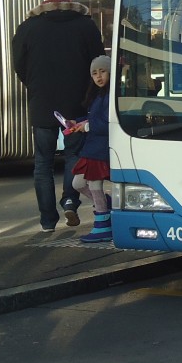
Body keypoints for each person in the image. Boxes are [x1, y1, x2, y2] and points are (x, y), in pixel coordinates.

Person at [12, 0, 104, 232]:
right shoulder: (86, 25)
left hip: (42, 105)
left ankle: (47, 222)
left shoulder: (29, 26)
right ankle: (70, 204)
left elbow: (19, 64)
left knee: (43, 163)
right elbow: (98, 63)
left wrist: (36, 87)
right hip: (76, 104)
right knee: (74, 154)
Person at [67, 55, 113, 243]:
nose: (99, 76)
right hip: (92, 148)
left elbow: (107, 123)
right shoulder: (98, 95)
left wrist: (85, 126)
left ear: (111, 72)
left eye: (102, 71)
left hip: (100, 149)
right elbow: (95, 120)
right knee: (78, 184)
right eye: (94, 73)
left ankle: (103, 224)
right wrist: (76, 123)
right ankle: (105, 203)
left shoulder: (110, 96)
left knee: (94, 184)